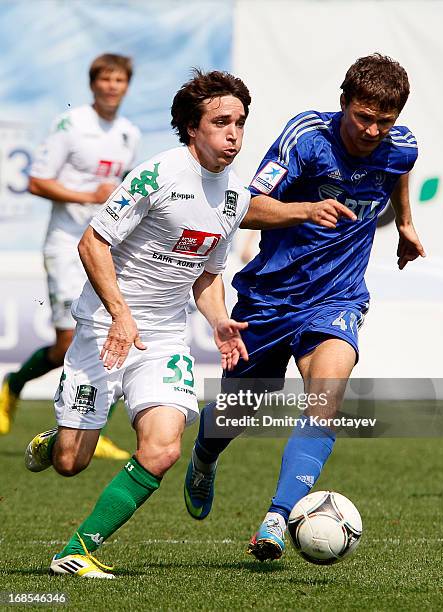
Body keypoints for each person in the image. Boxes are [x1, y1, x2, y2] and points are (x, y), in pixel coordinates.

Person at [184, 54, 425, 561]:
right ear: (343, 103)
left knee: (326, 401)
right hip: (271, 299)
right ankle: (204, 457)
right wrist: (306, 209)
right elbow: (245, 208)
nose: (372, 130)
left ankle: (277, 517)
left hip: (337, 298)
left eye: (385, 121)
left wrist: (405, 223)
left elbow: (400, 168)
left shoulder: (399, 146)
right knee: (240, 410)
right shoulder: (307, 136)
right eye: (363, 116)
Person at [24, 69, 252, 578]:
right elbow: (92, 243)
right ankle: (59, 434)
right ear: (192, 128)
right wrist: (121, 316)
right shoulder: (158, 175)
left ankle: (77, 550)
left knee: (165, 448)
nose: (233, 133)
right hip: (103, 329)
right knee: (69, 462)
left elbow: (208, 275)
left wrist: (218, 319)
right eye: (221, 122)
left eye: (239, 122)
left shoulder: (235, 197)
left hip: (166, 336)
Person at [0, 53, 141, 459]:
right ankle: (14, 384)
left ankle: (87, 429)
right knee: (66, 344)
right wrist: (85, 195)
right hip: (65, 244)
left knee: (110, 337)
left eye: (120, 80)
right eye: (106, 79)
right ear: (93, 83)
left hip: (104, 246)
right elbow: (37, 181)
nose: (112, 86)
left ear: (126, 86)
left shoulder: (128, 133)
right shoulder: (71, 124)